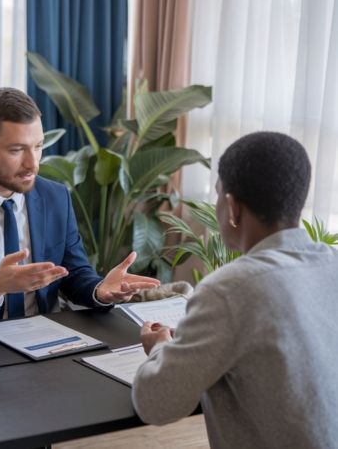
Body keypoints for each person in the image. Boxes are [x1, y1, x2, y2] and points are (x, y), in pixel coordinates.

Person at [132, 132, 338, 449]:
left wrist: (160, 346)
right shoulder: (331, 263)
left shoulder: (231, 289)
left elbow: (156, 404)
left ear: (232, 207)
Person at [0, 87, 160, 329]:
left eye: (38, 146)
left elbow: (74, 274)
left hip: (47, 345)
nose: (32, 164)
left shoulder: (56, 197)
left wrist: (100, 290)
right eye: (17, 150)